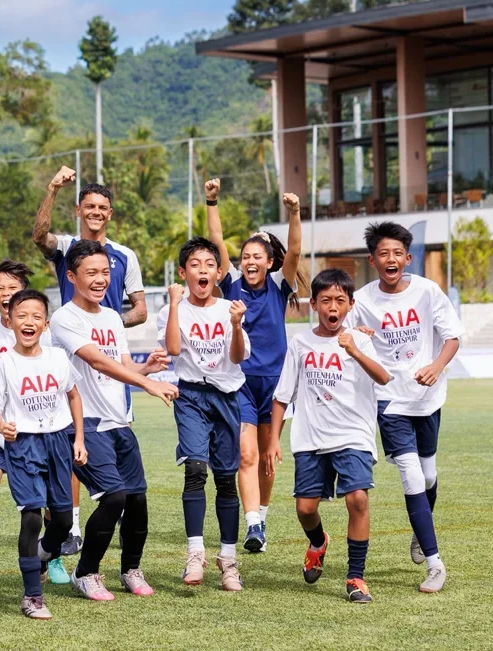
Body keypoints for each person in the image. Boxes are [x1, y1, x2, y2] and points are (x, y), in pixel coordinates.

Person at [49, 240, 178, 601]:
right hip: (84, 422)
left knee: (137, 500)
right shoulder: (64, 318)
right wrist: (148, 383)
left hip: (117, 421)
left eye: (105, 272)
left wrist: (144, 368)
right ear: (72, 276)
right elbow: (97, 362)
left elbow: (119, 367)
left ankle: (130, 569)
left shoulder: (110, 316)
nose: (100, 279)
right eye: (92, 273)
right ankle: (86, 571)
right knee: (113, 497)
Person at [33, 165, 148, 552]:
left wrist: (109, 323)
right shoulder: (66, 248)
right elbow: (38, 236)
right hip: (73, 362)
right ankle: (72, 528)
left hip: (108, 362)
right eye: (89, 206)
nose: (96, 211)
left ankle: (89, 532)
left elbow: (141, 311)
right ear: (78, 210)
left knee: (108, 443)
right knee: (73, 446)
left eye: (103, 206)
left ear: (110, 213)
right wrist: (52, 188)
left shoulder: (125, 256)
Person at [344, 221, 464, 594]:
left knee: (428, 477)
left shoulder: (428, 291)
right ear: (373, 260)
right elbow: (342, 336)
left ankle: (420, 524)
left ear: (407, 258)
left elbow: (453, 337)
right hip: (389, 401)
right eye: (384, 254)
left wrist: (435, 366)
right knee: (411, 476)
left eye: (397, 253)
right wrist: (356, 340)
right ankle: (435, 565)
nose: (391, 259)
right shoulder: (361, 300)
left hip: (428, 398)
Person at [267, 268, 391, 604]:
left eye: (339, 300)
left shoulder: (360, 340)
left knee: (358, 500)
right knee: (306, 508)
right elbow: (281, 396)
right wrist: (273, 439)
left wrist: (355, 350)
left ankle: (356, 577)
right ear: (314, 305)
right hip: (311, 438)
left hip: (354, 435)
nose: (332, 306)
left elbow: (383, 378)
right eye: (325, 300)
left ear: (350, 305)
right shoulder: (301, 343)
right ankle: (319, 542)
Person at [0, 260, 74, 589]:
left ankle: (53, 559)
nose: (7, 293)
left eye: (13, 288)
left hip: (36, 433)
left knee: (48, 500)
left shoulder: (39, 330)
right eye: (0, 289)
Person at [207, 179, 307, 553]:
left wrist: (295, 214)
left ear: (269, 263)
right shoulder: (231, 283)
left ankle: (260, 517)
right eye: (245, 256)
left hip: (278, 386)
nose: (249, 262)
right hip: (242, 383)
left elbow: (295, 248)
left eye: (256, 257)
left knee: (268, 457)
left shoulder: (280, 285)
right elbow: (217, 240)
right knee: (247, 454)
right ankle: (252, 524)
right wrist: (211, 201)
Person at [0, 289, 88, 619]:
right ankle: (33, 596)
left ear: (45, 324)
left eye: (35, 317)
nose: (28, 322)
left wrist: (79, 439)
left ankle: (45, 553)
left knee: (60, 519)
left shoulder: (58, 358)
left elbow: (74, 397)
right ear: (11, 321)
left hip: (58, 441)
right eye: (21, 316)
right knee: (31, 517)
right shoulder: (3, 363)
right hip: (23, 445)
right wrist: (3, 427)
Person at [157, 237, 250, 591]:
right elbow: (174, 348)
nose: (202, 270)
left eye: (209, 264)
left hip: (226, 396)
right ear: (184, 272)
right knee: (195, 470)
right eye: (194, 264)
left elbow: (239, 358)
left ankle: (228, 561)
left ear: (219, 272)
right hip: (191, 395)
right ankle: (195, 553)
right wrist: (174, 303)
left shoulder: (230, 309)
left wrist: (238, 325)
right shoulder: (174, 308)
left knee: (226, 480)